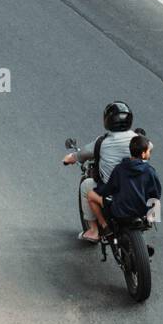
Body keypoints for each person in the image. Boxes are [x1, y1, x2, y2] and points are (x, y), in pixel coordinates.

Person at [62, 102, 142, 243]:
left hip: (113, 193)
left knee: (86, 186)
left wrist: (70, 158)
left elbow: (81, 155)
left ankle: (94, 231)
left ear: (108, 121)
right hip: (137, 189)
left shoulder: (102, 142)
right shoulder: (138, 139)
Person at [87, 134, 161, 235]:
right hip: (142, 211)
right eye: (149, 151)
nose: (150, 153)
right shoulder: (150, 171)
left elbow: (108, 189)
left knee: (91, 195)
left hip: (120, 212)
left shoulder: (120, 169)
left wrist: (99, 189)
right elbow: (156, 193)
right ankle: (150, 220)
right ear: (143, 154)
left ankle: (104, 226)